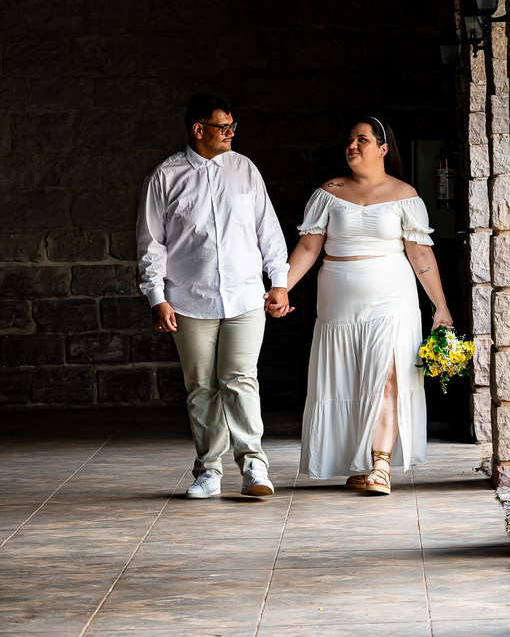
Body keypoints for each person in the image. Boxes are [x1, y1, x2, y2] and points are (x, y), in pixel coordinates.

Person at [277, 117, 452, 495]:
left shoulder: (405, 195)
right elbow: (309, 247)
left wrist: (440, 307)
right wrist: (281, 287)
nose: (353, 146)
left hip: (392, 299)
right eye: (350, 140)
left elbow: (420, 254)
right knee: (349, 378)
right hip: (337, 303)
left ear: (383, 149)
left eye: (363, 140)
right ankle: (359, 461)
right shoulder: (329, 192)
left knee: (388, 376)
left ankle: (381, 464)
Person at [136, 94, 291, 499]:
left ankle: (254, 465)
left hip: (244, 297)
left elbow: (268, 231)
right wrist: (157, 297)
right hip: (188, 300)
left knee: (240, 379)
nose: (231, 134)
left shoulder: (245, 170)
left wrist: (279, 281)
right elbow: (151, 243)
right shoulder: (165, 176)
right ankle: (208, 471)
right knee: (201, 386)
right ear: (198, 129)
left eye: (233, 126)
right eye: (224, 127)